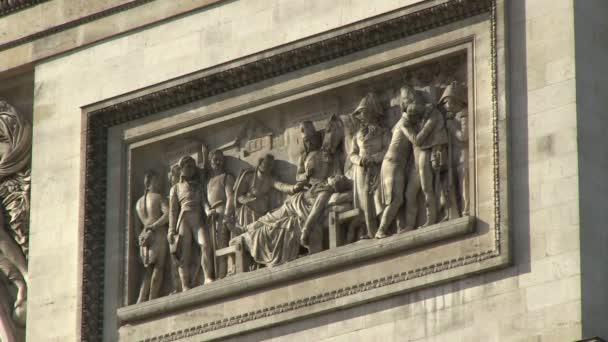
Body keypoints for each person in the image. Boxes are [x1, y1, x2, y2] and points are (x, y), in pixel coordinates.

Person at [374, 86, 418, 238]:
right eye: (411, 104)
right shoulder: (404, 123)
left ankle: (398, 227)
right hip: (392, 164)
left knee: (398, 198)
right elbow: (415, 140)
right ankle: (381, 230)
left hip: (397, 164)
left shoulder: (402, 124)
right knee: (395, 199)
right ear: (405, 107)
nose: (415, 108)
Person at [400, 93, 448, 229]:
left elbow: (417, 140)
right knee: (409, 194)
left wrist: (406, 127)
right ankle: (409, 225)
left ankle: (430, 219)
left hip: (425, 154)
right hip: (416, 158)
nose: (415, 119)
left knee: (427, 188)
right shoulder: (419, 118)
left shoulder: (433, 115)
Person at [168, 156, 213, 290]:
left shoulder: (198, 186)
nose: (191, 169)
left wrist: (208, 211)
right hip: (184, 220)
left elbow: (204, 202)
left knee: (205, 245)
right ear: (181, 169)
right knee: (184, 254)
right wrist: (171, 230)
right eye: (188, 166)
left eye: (193, 167)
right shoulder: (175, 188)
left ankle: (208, 277)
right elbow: (172, 211)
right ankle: (185, 285)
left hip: (198, 218)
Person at [349, 93, 390, 238]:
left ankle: (383, 227)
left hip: (378, 168)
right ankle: (370, 231)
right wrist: (359, 160)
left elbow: (388, 150)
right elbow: (352, 154)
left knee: (378, 197)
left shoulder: (383, 132)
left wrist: (374, 158)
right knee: (364, 200)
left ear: (372, 113)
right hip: (361, 171)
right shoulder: (357, 135)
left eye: (363, 112)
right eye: (359, 113)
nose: (361, 116)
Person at [233, 154, 295, 228]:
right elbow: (239, 196)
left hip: (262, 213)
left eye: (271, 165)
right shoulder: (249, 177)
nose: (270, 167)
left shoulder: (270, 179)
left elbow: (281, 186)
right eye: (267, 164)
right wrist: (249, 200)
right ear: (260, 163)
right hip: (248, 212)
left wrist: (293, 188)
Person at [134, 171, 169, 302]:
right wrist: (154, 226)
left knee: (148, 270)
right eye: (156, 181)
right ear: (149, 183)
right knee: (159, 267)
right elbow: (167, 215)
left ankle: (140, 298)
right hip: (157, 233)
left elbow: (135, 228)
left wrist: (142, 237)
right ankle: (152, 297)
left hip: (144, 236)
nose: (159, 183)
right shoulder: (158, 197)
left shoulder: (137, 203)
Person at [440, 81, 469, 217]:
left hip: (463, 156)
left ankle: (467, 209)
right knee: (451, 186)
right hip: (453, 158)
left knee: (464, 185)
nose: (447, 106)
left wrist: (451, 126)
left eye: (449, 102)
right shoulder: (450, 118)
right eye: (445, 103)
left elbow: (464, 136)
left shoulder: (463, 115)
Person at [205, 150, 236, 279]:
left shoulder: (226, 177)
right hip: (212, 215)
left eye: (220, 159)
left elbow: (230, 196)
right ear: (210, 162)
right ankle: (219, 275)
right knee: (214, 246)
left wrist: (227, 214)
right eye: (214, 159)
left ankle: (225, 273)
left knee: (223, 243)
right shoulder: (209, 181)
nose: (217, 162)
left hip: (223, 212)